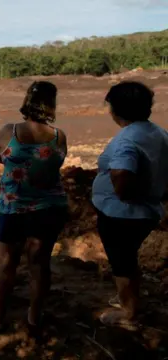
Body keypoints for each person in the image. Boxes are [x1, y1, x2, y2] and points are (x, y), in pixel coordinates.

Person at [0, 81, 69, 331]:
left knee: (6, 261)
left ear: (26, 101)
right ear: (52, 105)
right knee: (40, 263)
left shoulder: (9, 131)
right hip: (50, 207)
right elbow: (56, 164)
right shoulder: (58, 136)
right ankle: (34, 317)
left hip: (13, 206)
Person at [92, 81, 168, 327]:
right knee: (128, 257)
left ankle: (128, 312)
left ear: (116, 110)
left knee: (121, 262)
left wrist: (123, 193)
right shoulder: (158, 133)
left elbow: (121, 174)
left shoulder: (127, 140)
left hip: (122, 214)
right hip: (147, 211)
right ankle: (128, 295)